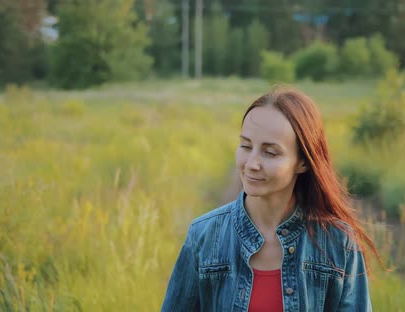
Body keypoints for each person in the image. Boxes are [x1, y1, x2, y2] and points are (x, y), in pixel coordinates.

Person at [161, 86, 382, 311]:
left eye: (270, 152)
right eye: (246, 146)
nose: (251, 163)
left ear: (303, 162)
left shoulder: (338, 243)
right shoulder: (204, 236)